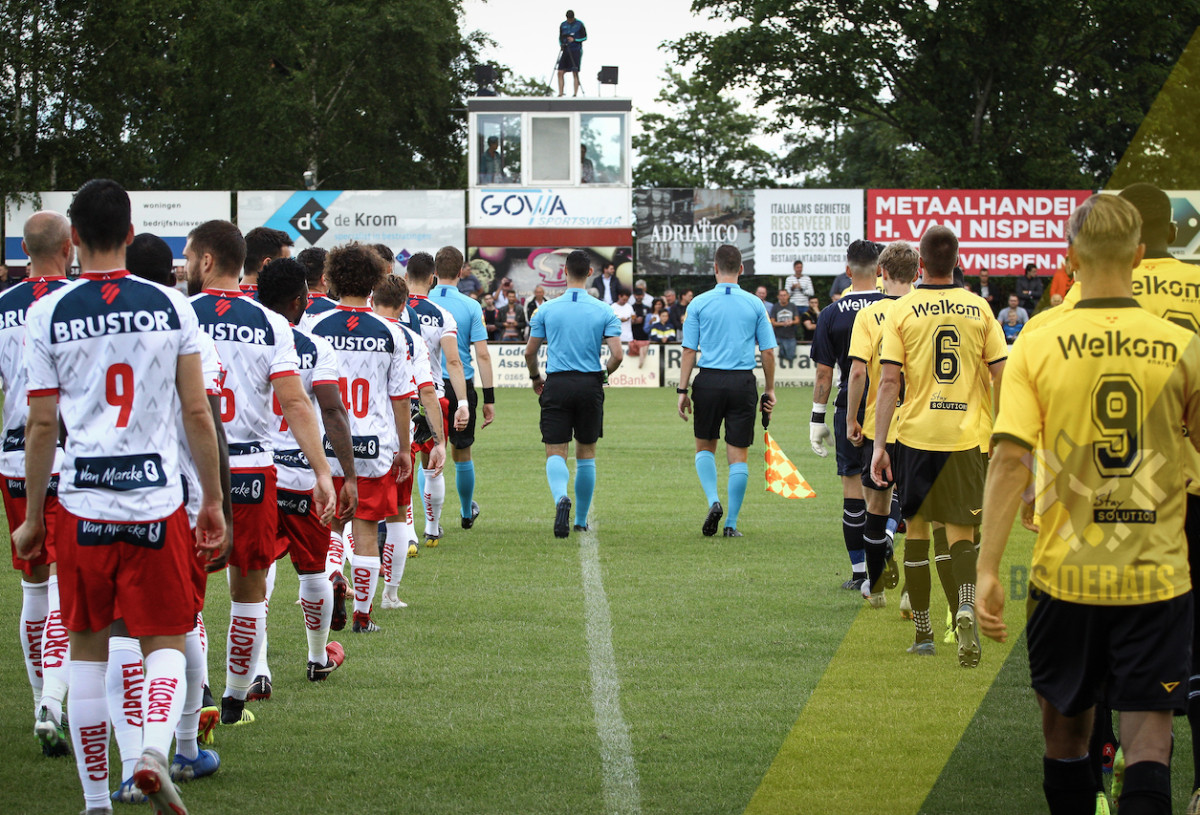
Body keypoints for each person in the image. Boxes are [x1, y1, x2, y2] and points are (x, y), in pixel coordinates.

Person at [977, 193, 1200, 815]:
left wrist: (988, 568)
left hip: (1065, 575)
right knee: (1149, 744)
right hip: (1156, 577)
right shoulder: (1181, 345)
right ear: (1139, 255)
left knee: (1066, 742)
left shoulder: (1038, 340)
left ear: (1070, 258)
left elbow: (1009, 460)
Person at [15, 179, 227, 814]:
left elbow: (42, 425)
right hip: (156, 501)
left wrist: (33, 516)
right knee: (165, 637)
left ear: (75, 238)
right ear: (131, 235)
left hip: (83, 503)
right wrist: (211, 500)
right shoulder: (172, 306)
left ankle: (94, 802)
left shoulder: (47, 313)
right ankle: (154, 751)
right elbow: (197, 411)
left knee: (87, 647)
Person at [186, 219, 336, 718]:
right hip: (251, 468)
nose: (187, 265)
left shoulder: (178, 314)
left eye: (190, 256)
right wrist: (321, 472)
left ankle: (201, 692)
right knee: (249, 590)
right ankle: (234, 698)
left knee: (188, 590)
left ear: (208, 260)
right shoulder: (271, 323)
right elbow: (295, 403)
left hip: (190, 468)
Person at [871, 225, 1006, 665]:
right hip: (965, 438)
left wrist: (879, 445)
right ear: (957, 261)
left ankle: (924, 633)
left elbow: (889, 381)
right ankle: (964, 606)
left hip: (916, 436)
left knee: (917, 534)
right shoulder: (980, 307)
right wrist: (1001, 428)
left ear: (921, 265)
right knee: (963, 534)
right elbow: (1000, 372)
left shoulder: (902, 309)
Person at [308, 243, 427, 632]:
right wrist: (404, 448)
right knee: (366, 527)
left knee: (331, 523)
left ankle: (332, 579)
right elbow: (401, 397)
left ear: (332, 279)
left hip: (327, 441)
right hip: (374, 445)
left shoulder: (314, 326)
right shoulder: (391, 332)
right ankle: (362, 615)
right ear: (376, 281)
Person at [257, 258, 356, 680]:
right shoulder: (314, 347)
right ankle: (317, 659)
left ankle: (256, 669)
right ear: (300, 300)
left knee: (256, 570)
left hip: (254, 471)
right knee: (314, 567)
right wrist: (346, 475)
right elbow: (331, 410)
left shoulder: (245, 339)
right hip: (301, 473)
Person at [1, 210, 73, 756]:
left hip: (14, 457)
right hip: (71, 457)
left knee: (33, 583)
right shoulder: (77, 303)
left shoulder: (3, 307)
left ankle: (39, 703)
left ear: (24, 251)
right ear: (69, 249)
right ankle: (52, 701)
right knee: (66, 585)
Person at [676, 244, 776, 537]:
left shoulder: (698, 303)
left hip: (708, 381)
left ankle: (713, 501)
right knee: (738, 456)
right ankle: (731, 523)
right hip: (742, 382)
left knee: (704, 447)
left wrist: (682, 390)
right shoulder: (755, 304)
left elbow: (689, 351)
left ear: (715, 268)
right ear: (741, 269)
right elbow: (768, 352)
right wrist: (770, 389)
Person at [525, 249, 623, 536]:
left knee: (555, 450)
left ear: (564, 271)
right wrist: (603, 374)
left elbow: (530, 352)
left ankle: (561, 498)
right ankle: (580, 520)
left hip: (557, 383)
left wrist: (536, 377)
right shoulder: (604, 310)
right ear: (590, 273)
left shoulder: (546, 309)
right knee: (586, 454)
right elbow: (617, 355)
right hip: (589, 385)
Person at [809, 240, 887, 589]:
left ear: (847, 271)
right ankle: (886, 537)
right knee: (888, 484)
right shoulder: (895, 307)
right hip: (891, 406)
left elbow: (824, 374)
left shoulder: (831, 313)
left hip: (849, 407)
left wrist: (817, 418)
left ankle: (859, 574)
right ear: (880, 270)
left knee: (852, 490)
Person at [845, 240, 919, 607]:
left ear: (881, 272)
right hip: (921, 427)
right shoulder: (926, 313)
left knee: (875, 510)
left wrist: (851, 419)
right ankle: (911, 593)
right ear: (917, 273)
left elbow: (858, 372)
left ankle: (874, 590)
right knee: (917, 516)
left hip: (880, 425)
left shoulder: (868, 315)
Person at [370, 273, 443, 603]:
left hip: (349, 436)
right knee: (397, 515)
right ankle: (390, 594)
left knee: (348, 517)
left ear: (373, 300)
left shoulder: (349, 329)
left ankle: (336, 579)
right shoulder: (411, 339)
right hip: (395, 438)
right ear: (403, 306)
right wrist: (439, 441)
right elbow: (427, 391)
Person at [402, 252, 470, 547]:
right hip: (432, 395)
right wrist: (463, 403)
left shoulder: (392, 309)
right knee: (433, 464)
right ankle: (431, 529)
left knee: (401, 465)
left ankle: (407, 534)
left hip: (399, 397)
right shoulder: (442, 315)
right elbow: (453, 362)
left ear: (406, 277)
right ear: (432, 279)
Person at [432, 247, 496, 531]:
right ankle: (466, 511)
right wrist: (489, 398)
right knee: (462, 451)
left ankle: (431, 522)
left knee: (428, 453)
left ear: (435, 271)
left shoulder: (419, 302)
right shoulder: (471, 306)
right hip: (460, 387)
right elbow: (482, 354)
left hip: (427, 386)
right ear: (460, 272)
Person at [240, 226, 293, 294]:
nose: (290, 270)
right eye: (286, 263)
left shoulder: (229, 297)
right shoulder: (281, 300)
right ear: (268, 264)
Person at [556, 10, 587, 98]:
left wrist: (575, 40)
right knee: (560, 71)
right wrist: (561, 44)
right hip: (565, 49)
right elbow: (560, 37)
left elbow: (585, 37)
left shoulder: (579, 24)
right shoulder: (563, 25)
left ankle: (575, 93)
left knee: (575, 71)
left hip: (575, 50)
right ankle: (560, 93)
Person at [769, 287, 800, 362]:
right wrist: (783, 323)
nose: (783, 297)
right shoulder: (775, 307)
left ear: (788, 296)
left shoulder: (792, 306)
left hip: (791, 336)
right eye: (781, 295)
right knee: (778, 356)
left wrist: (791, 322)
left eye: (784, 295)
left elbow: (797, 320)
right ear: (778, 297)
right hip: (778, 336)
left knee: (790, 356)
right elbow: (772, 322)